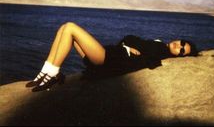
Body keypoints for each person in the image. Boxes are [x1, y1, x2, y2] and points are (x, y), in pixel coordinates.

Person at [25, 22, 198, 92]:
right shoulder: (159, 44)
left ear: (180, 56)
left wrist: (130, 49)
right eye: (182, 42)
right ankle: (45, 72)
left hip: (108, 60)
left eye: (182, 50)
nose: (179, 46)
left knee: (70, 27)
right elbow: (129, 38)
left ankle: (52, 74)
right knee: (64, 29)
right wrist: (129, 46)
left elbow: (145, 60)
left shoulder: (160, 53)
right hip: (108, 56)